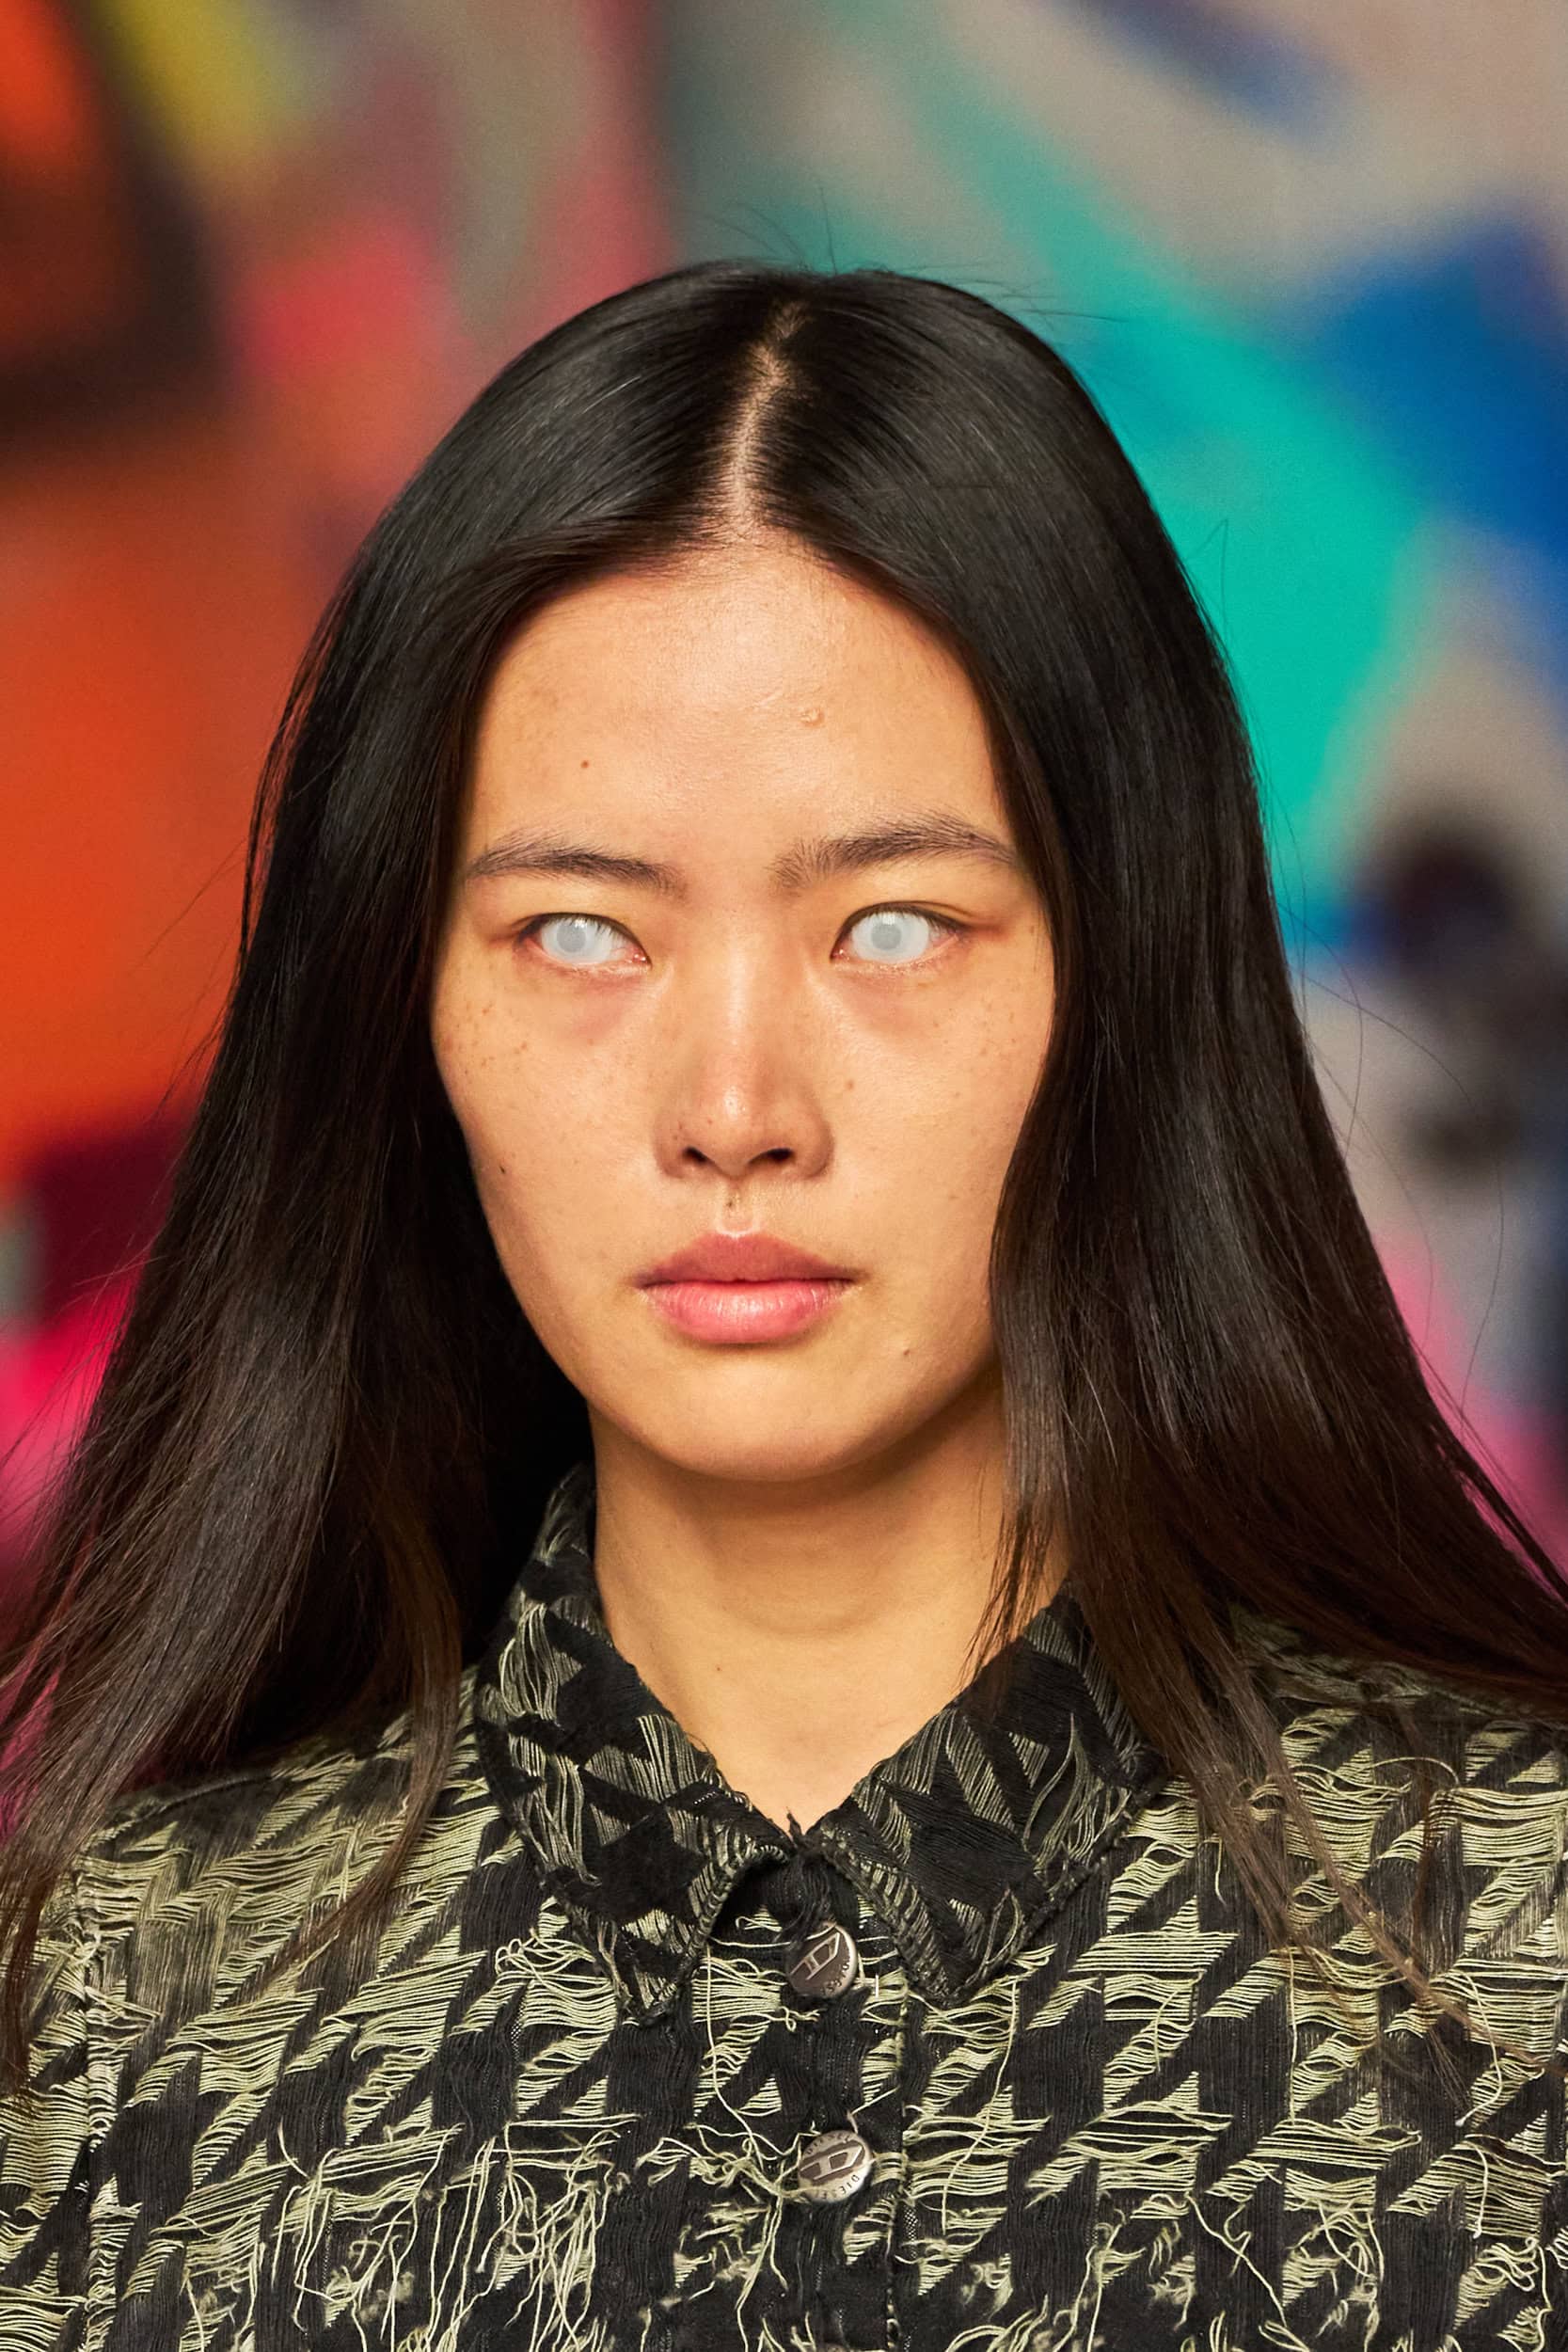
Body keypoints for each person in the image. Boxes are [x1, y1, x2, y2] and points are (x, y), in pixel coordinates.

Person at [1, 260, 1565, 2352]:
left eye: (894, 927)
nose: (734, 1109)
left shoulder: (1517, 1968)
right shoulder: (117, 2028)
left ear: (1122, 974)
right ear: (409, 1007)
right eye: (579, 932)